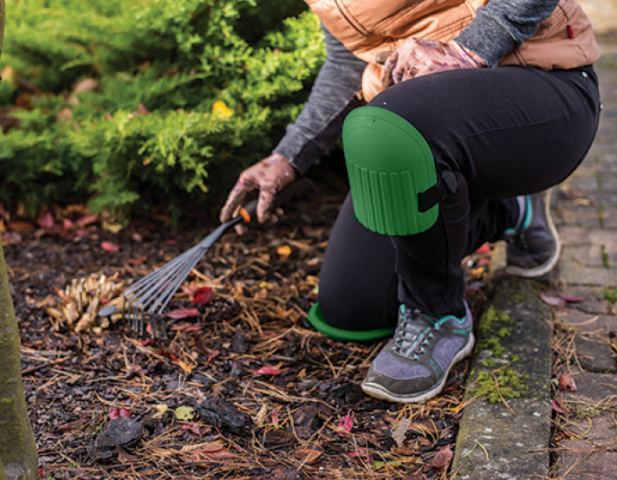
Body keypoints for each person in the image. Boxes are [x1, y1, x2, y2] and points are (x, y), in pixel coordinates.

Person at [219, 0, 601, 403]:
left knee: (396, 121)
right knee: (353, 306)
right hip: (427, 119)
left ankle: (439, 314)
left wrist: (468, 49)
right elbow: (347, 62)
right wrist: (287, 158)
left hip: (543, 85)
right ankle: (511, 211)